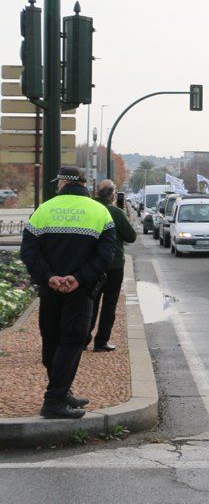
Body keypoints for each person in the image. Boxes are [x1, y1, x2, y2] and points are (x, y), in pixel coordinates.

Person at [20, 166, 115, 419]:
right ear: (85, 185)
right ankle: (54, 400)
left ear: (63, 182)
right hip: (81, 289)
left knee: (51, 340)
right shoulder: (100, 211)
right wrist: (77, 278)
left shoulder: (44, 209)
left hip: (50, 289)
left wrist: (49, 277)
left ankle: (61, 393)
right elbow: (106, 255)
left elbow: (28, 251)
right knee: (72, 341)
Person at [89, 180, 136, 352]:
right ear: (112, 194)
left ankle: (84, 338)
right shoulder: (116, 212)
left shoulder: (89, 209)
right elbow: (131, 236)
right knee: (109, 304)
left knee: (90, 302)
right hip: (114, 264)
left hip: (91, 264)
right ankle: (101, 341)